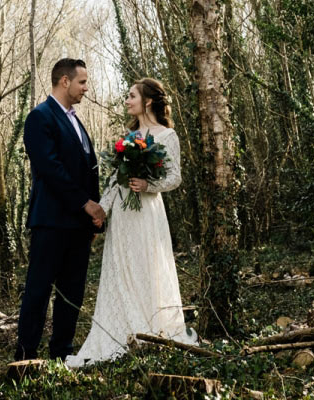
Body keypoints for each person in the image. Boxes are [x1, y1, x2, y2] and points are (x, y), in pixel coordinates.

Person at [66, 77, 195, 367]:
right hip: (124, 214)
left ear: (147, 101)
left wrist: (148, 184)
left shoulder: (167, 136)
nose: (127, 101)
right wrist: (101, 210)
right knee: (122, 267)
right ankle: (122, 329)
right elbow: (115, 180)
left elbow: (175, 178)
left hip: (148, 213)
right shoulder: (127, 137)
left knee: (147, 265)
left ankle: (152, 328)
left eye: (131, 96)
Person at [14, 58, 105, 361]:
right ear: (64, 81)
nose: (86, 88)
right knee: (39, 291)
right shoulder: (39, 117)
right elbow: (50, 169)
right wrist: (85, 203)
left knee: (72, 292)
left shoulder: (75, 120)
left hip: (79, 225)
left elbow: (87, 169)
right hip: (51, 222)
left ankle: (61, 354)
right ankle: (26, 356)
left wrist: (93, 215)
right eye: (82, 82)